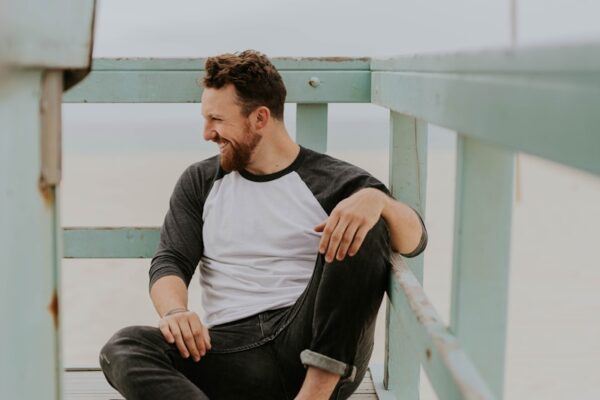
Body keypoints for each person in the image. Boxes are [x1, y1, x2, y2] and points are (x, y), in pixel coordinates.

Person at [99, 50, 427, 400]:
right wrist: (176, 312)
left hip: (315, 348)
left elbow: (415, 239)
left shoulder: (335, 181)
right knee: (123, 347)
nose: (207, 133)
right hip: (232, 351)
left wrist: (378, 201)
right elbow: (170, 259)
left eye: (216, 120)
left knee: (368, 223)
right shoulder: (201, 181)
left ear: (259, 118)